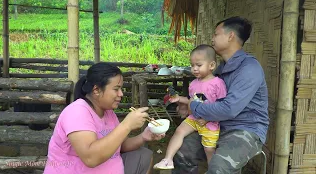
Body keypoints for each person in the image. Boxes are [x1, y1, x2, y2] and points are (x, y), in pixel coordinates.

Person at [172, 16, 269, 174]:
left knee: (219, 167)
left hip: (245, 129)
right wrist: (189, 106)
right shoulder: (219, 69)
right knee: (182, 150)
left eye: (216, 34)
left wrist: (193, 106)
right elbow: (206, 98)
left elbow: (229, 109)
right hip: (217, 125)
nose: (212, 38)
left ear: (230, 36)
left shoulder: (250, 68)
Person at [43, 62, 165, 174]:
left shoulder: (108, 112)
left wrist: (144, 136)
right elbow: (90, 158)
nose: (121, 94)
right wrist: (126, 125)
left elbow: (121, 145)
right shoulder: (77, 112)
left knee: (143, 155)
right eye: (116, 89)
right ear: (96, 90)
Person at [153, 45, 227, 170]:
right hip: (193, 118)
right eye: (192, 65)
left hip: (210, 123)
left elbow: (222, 106)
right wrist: (179, 99)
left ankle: (213, 171)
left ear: (212, 65)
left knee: (209, 150)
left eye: (198, 65)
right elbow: (192, 100)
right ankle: (168, 159)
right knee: (179, 132)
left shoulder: (218, 84)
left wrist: (207, 119)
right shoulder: (193, 84)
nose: (194, 69)